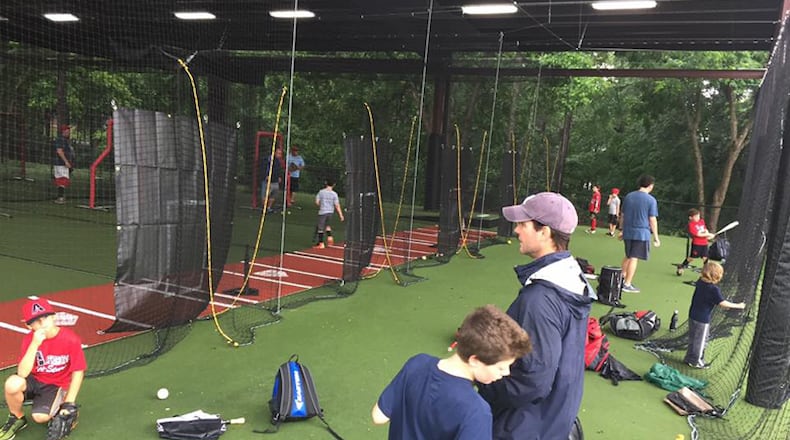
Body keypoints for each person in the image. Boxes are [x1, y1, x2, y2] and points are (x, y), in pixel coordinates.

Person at [477, 192, 594, 440]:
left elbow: (533, 381)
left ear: (545, 232)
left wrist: (484, 380)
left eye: (523, 224)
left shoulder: (540, 299)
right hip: (550, 421)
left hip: (522, 427)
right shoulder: (572, 277)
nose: (517, 230)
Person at [371, 305, 532, 440]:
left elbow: (379, 417)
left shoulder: (417, 363)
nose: (506, 373)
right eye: (500, 367)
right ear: (474, 360)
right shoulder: (476, 410)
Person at [1, 298, 86, 440]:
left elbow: (78, 371)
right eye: (36, 320)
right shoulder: (29, 340)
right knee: (12, 384)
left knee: (40, 417)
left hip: (55, 385)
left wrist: (69, 402)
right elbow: (22, 373)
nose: (42, 323)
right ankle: (17, 418)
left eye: (45, 317)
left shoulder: (70, 339)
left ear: (53, 317)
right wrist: (35, 344)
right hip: (34, 379)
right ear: (29, 326)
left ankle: (59, 408)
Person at [684, 261, 745, 369]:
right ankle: (696, 361)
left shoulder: (700, 282)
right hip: (702, 319)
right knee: (701, 340)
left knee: (693, 338)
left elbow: (714, 301)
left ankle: (689, 358)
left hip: (693, 314)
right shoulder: (713, 289)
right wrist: (738, 306)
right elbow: (722, 303)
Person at [618, 175, 660, 293]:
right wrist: (656, 237)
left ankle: (619, 279)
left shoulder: (629, 196)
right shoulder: (651, 200)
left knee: (628, 255)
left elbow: (623, 215)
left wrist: (621, 230)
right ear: (651, 186)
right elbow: (652, 219)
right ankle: (627, 283)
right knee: (634, 258)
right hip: (641, 233)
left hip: (628, 231)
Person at [314, 179, 344, 248]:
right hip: (330, 212)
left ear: (326, 183)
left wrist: (321, 205)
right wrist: (341, 215)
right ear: (334, 185)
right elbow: (337, 205)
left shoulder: (321, 192)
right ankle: (330, 237)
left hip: (323, 211)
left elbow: (317, 202)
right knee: (327, 225)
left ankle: (321, 243)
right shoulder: (334, 194)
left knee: (320, 228)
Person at [52, 125, 75, 205]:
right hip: (61, 163)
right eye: (67, 131)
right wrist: (66, 161)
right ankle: (60, 198)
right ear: (63, 131)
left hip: (61, 163)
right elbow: (59, 151)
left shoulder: (65, 140)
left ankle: (60, 197)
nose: (68, 133)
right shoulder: (61, 139)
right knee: (62, 180)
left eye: (69, 131)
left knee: (62, 180)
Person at [261, 148, 284, 212]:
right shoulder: (268, 160)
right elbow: (264, 168)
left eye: (280, 154)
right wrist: (266, 176)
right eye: (278, 153)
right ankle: (264, 208)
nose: (280, 155)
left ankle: (269, 207)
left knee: (274, 195)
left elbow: (278, 170)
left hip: (275, 181)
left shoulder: (278, 161)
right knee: (265, 195)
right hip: (268, 181)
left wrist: (279, 177)